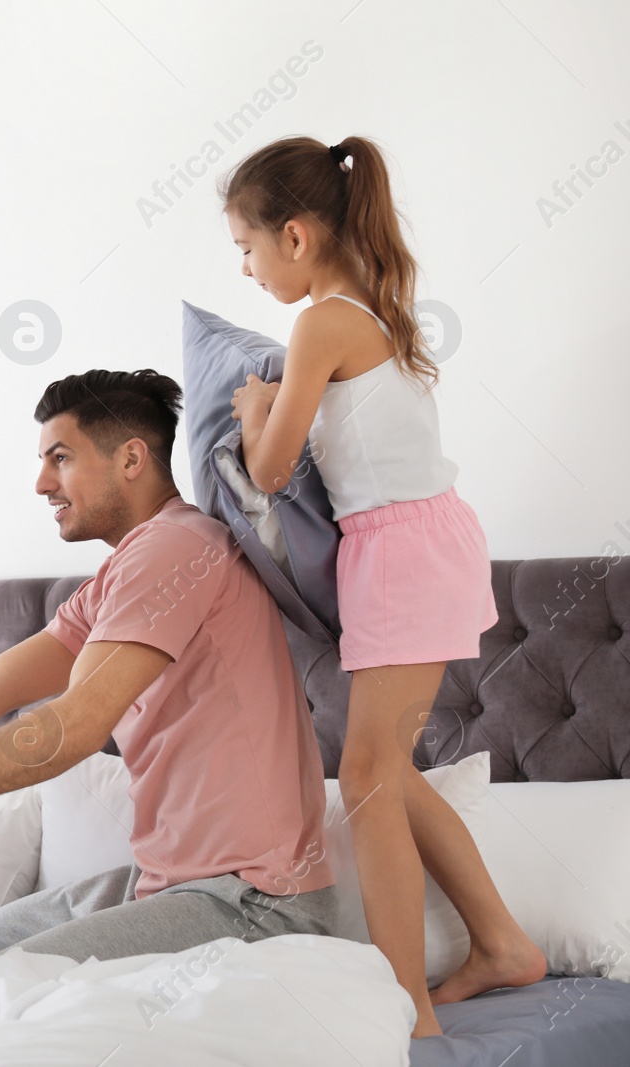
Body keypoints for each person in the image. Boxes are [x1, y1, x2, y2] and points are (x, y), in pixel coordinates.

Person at [0, 369, 337, 965]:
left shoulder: (176, 550)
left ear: (132, 458)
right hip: (168, 889)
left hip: (252, 905)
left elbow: (74, 726)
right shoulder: (124, 573)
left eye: (59, 458)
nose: (41, 483)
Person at [220, 135, 545, 1036]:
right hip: (417, 541)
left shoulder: (322, 322)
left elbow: (272, 469)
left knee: (364, 773)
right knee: (385, 770)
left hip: (401, 551)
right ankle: (503, 943)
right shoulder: (373, 306)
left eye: (246, 248)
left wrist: (253, 411)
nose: (244, 269)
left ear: (293, 236)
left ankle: (406, 1013)